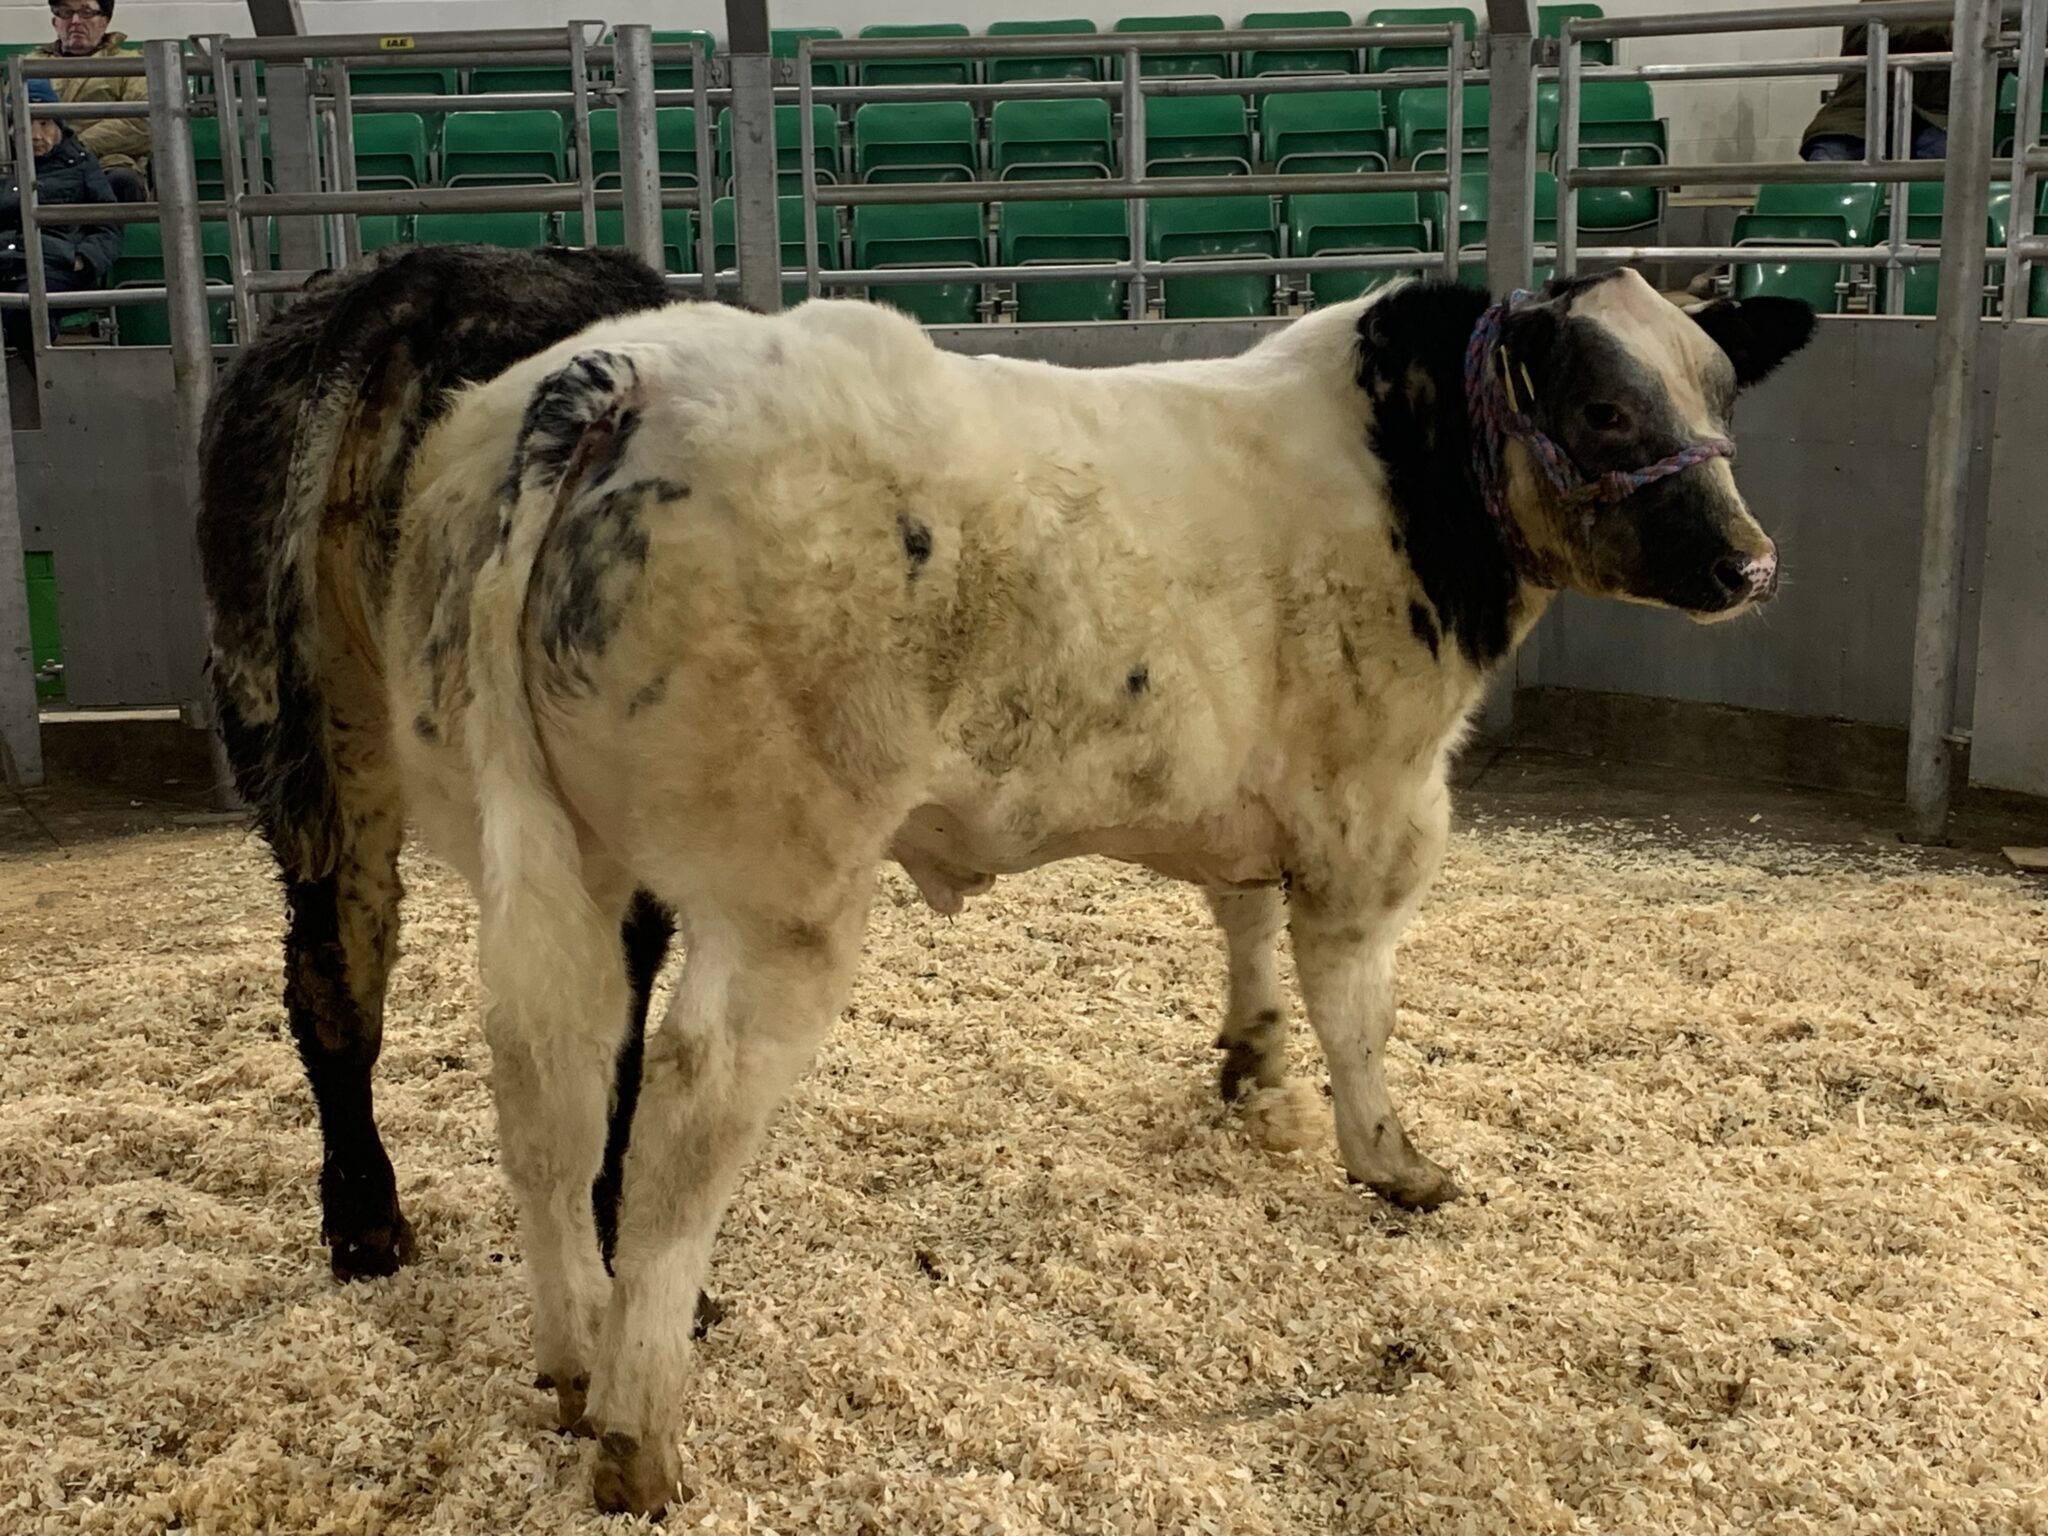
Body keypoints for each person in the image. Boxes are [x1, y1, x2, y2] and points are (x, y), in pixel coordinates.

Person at [0, 78, 120, 352]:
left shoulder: (81, 164)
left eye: (44, 124)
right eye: (25, 125)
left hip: (56, 266)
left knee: (25, 309)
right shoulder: (5, 165)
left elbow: (109, 225)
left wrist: (83, 259)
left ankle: (43, 385)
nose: (35, 135)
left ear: (59, 125)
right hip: (6, 261)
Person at [27, 0, 150, 201]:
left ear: (105, 21)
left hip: (107, 162)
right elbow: (10, 120)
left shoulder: (131, 65)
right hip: (40, 163)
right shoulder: (29, 65)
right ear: (55, 22)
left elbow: (144, 122)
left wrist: (76, 146)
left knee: (123, 181)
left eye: (86, 12)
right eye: (66, 12)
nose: (75, 21)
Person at [1800, 0, 1952, 161]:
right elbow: (1863, 32)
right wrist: (1945, 28)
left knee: (1957, 169)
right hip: (1859, 113)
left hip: (1935, 119)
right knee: (1828, 168)